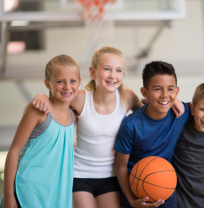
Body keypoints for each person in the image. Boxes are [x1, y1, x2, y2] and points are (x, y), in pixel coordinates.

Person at [29, 47, 184, 208]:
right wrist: (41, 96)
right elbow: (58, 97)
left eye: (118, 70)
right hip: (79, 174)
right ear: (93, 72)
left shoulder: (128, 97)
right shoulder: (81, 98)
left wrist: (175, 99)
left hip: (111, 176)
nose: (112, 75)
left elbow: (149, 111)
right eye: (106, 69)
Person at [1, 54, 80, 208]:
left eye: (73, 81)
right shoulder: (39, 110)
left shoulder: (74, 115)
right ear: (48, 83)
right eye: (60, 81)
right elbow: (14, 151)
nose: (67, 87)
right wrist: (9, 195)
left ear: (79, 83)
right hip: (28, 190)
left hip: (57, 194)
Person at [115, 61, 193, 208]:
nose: (164, 95)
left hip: (166, 188)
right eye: (157, 89)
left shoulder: (181, 113)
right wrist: (132, 201)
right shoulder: (130, 125)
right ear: (144, 92)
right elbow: (120, 166)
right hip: (136, 192)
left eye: (170, 89)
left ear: (176, 92)